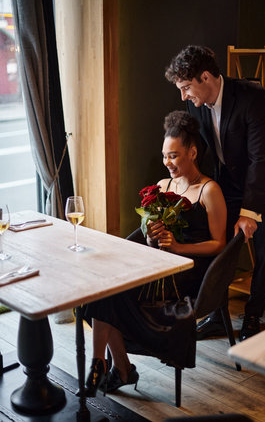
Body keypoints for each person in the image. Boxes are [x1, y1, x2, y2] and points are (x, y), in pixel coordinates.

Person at [81, 110, 227, 397]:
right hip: (158, 266)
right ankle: (106, 362)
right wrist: (151, 234)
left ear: (193, 152)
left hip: (191, 274)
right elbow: (148, 237)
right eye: (164, 156)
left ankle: (117, 368)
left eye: (173, 155)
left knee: (111, 294)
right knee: (104, 287)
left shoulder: (210, 191)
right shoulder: (162, 187)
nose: (167, 162)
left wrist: (179, 248)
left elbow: (219, 244)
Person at [165, 45, 265, 341]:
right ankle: (217, 316)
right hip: (230, 179)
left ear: (205, 77)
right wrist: (184, 180)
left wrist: (249, 212)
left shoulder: (253, 98)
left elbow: (260, 158)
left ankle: (252, 316)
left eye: (186, 88)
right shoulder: (195, 103)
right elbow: (198, 148)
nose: (183, 96)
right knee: (216, 241)